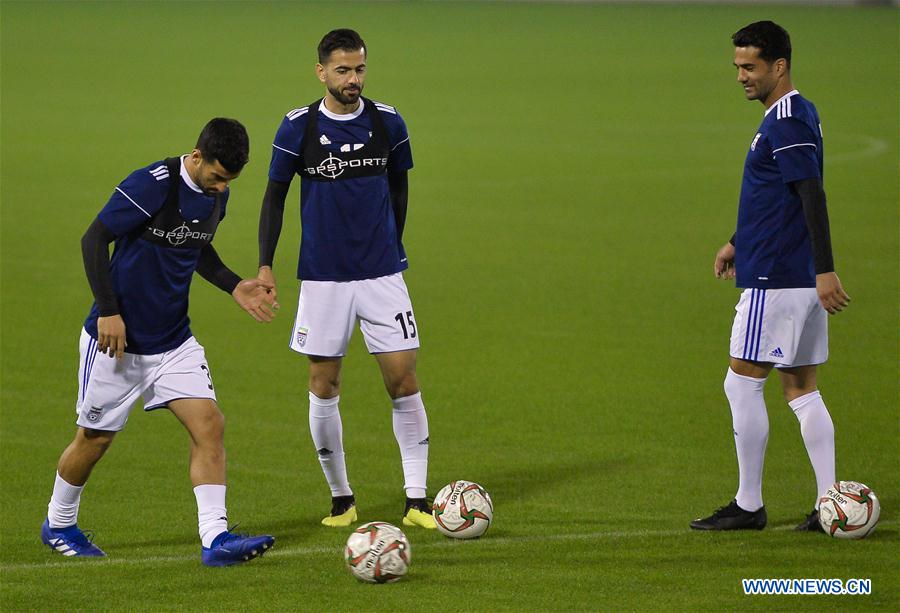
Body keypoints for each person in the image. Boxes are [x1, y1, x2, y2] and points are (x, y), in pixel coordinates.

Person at [41, 118, 277, 565]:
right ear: (197, 156)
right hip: (117, 343)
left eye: (230, 180)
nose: (222, 187)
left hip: (173, 341)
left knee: (209, 425)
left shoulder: (215, 195)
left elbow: (195, 246)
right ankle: (59, 522)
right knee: (94, 439)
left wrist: (233, 285)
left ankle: (215, 539)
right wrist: (108, 310)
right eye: (217, 176)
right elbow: (94, 239)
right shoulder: (153, 185)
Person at [257, 29, 435, 530]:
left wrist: (391, 245)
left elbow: (399, 189)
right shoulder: (298, 127)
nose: (353, 79)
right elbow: (274, 199)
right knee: (324, 383)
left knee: (403, 378)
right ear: (321, 72)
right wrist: (266, 263)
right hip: (324, 278)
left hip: (382, 274)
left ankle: (417, 500)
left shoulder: (388, 121)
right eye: (342, 70)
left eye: (359, 69)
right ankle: (341, 500)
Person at [691, 21, 850, 532]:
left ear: (779, 66)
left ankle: (749, 504)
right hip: (791, 274)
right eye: (737, 66)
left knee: (740, 384)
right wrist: (738, 241)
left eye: (750, 66)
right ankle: (830, 504)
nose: (741, 75)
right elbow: (776, 197)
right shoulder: (799, 113)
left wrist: (826, 270)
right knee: (801, 389)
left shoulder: (786, 121)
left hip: (776, 281)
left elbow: (811, 195)